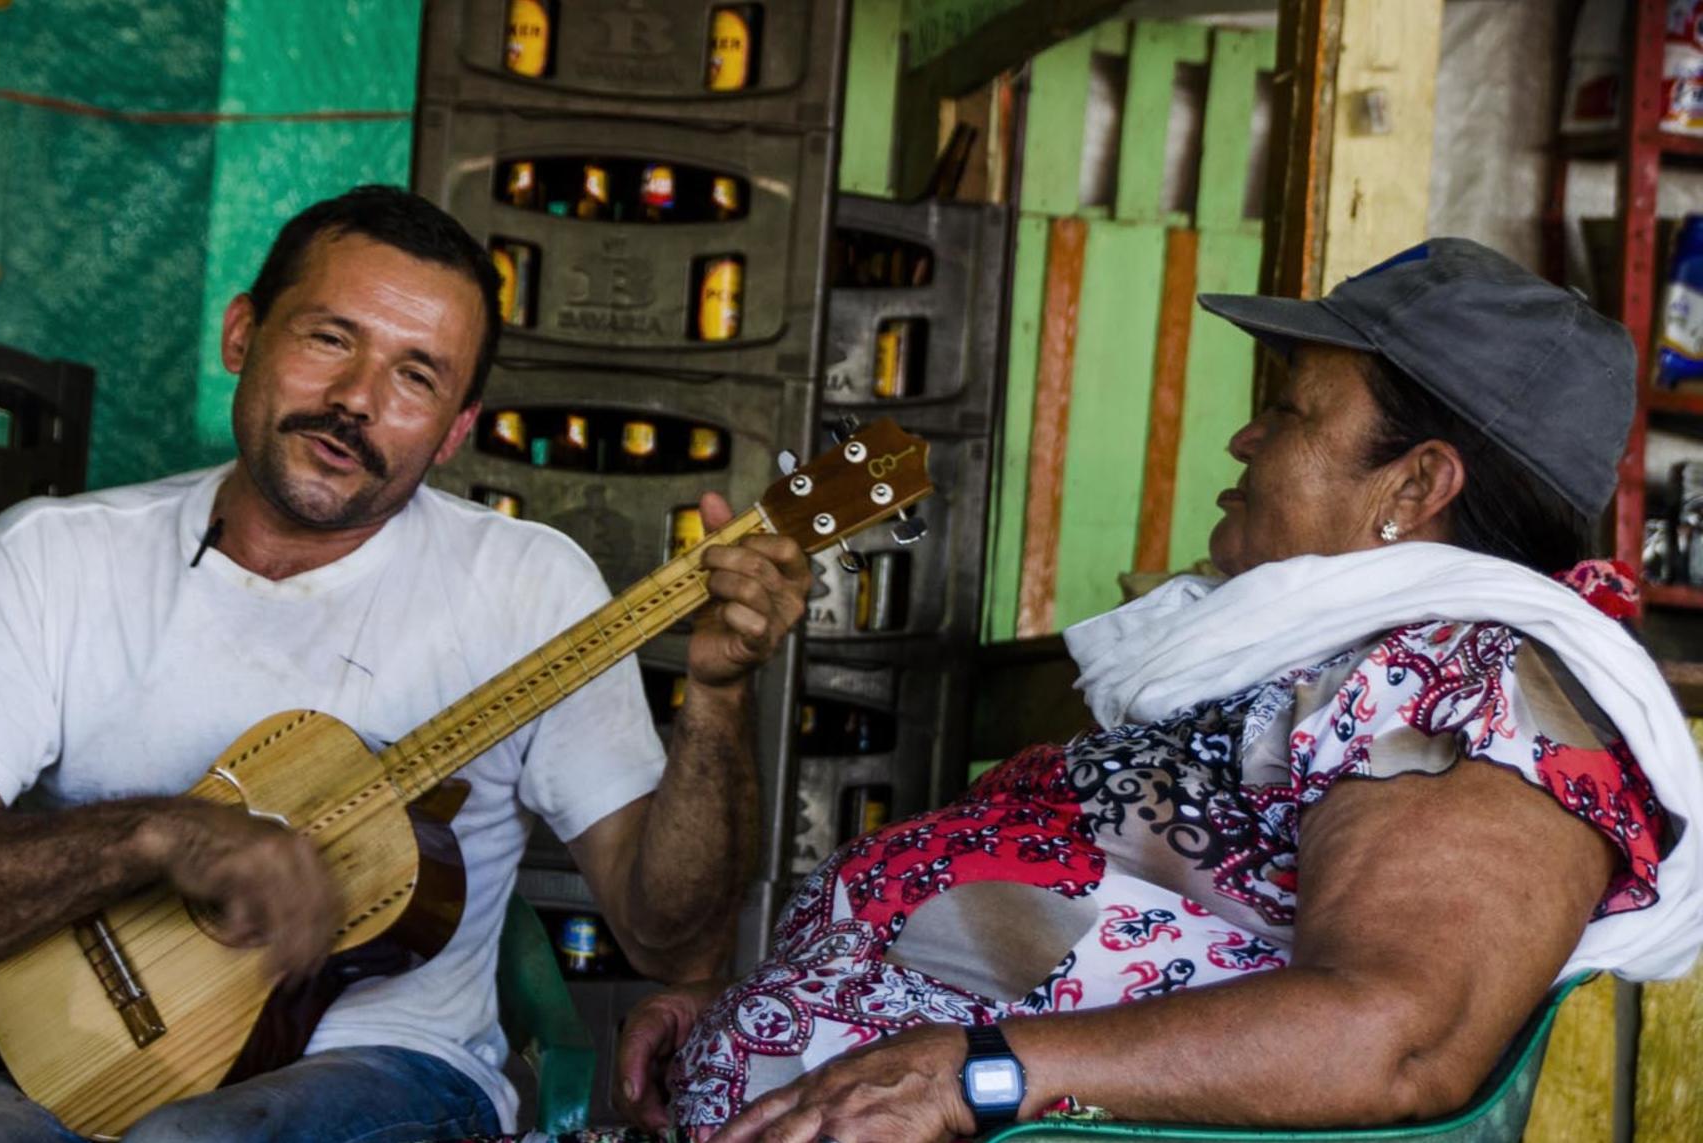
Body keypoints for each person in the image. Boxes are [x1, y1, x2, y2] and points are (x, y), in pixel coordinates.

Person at [595, 238, 1703, 1143]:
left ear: (1412, 484)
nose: (1244, 435)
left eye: (1292, 411)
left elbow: (1394, 1035)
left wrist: (964, 1076)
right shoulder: (1325, 663)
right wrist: (783, 998)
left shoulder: (1466, 688)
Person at [0, 185, 812, 1141]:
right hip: (90, 1062)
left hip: (395, 1071)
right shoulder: (51, 557)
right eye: (329, 338)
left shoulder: (530, 588)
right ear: (240, 334)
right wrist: (158, 839)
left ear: (455, 433)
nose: (355, 401)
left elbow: (674, 939)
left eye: (415, 376)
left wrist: (717, 696)